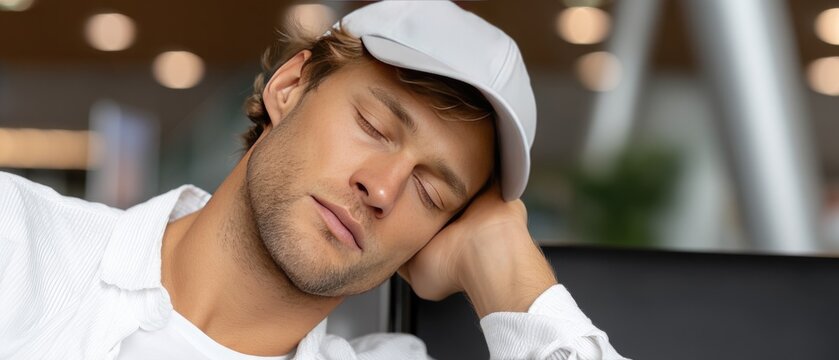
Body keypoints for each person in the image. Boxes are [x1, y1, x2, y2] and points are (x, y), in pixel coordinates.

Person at [0, 2, 627, 359]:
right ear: (289, 87)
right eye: (375, 125)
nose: (382, 189)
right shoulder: (24, 246)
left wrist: (505, 264)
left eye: (432, 192)